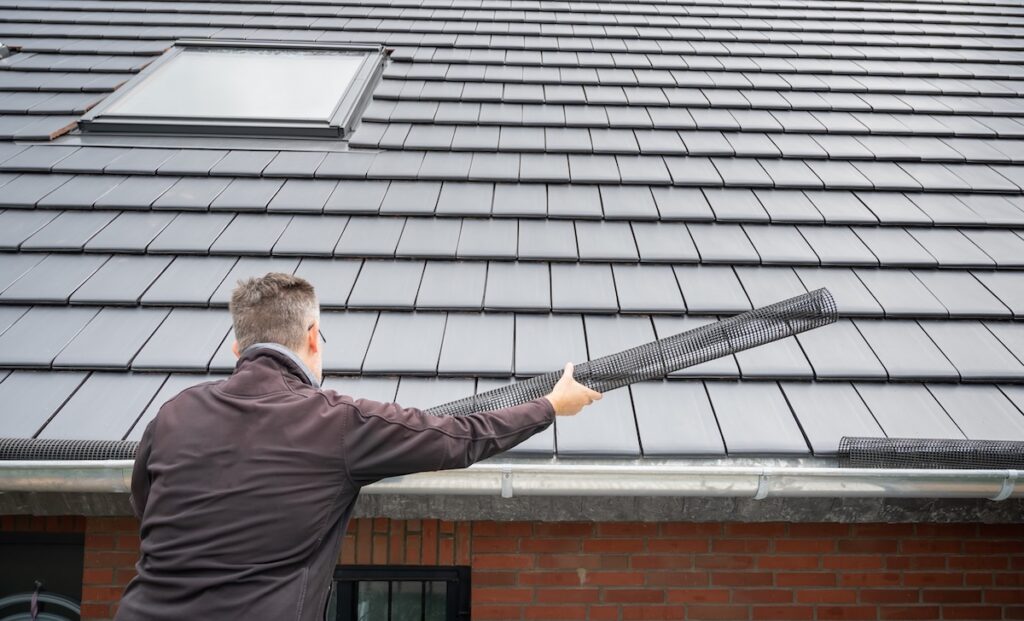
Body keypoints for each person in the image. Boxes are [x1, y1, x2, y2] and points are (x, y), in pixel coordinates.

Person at [114, 272, 601, 621]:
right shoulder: (337, 423)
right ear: (312, 338)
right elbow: (459, 437)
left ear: (237, 349)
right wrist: (552, 406)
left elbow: (146, 506)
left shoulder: (172, 414)